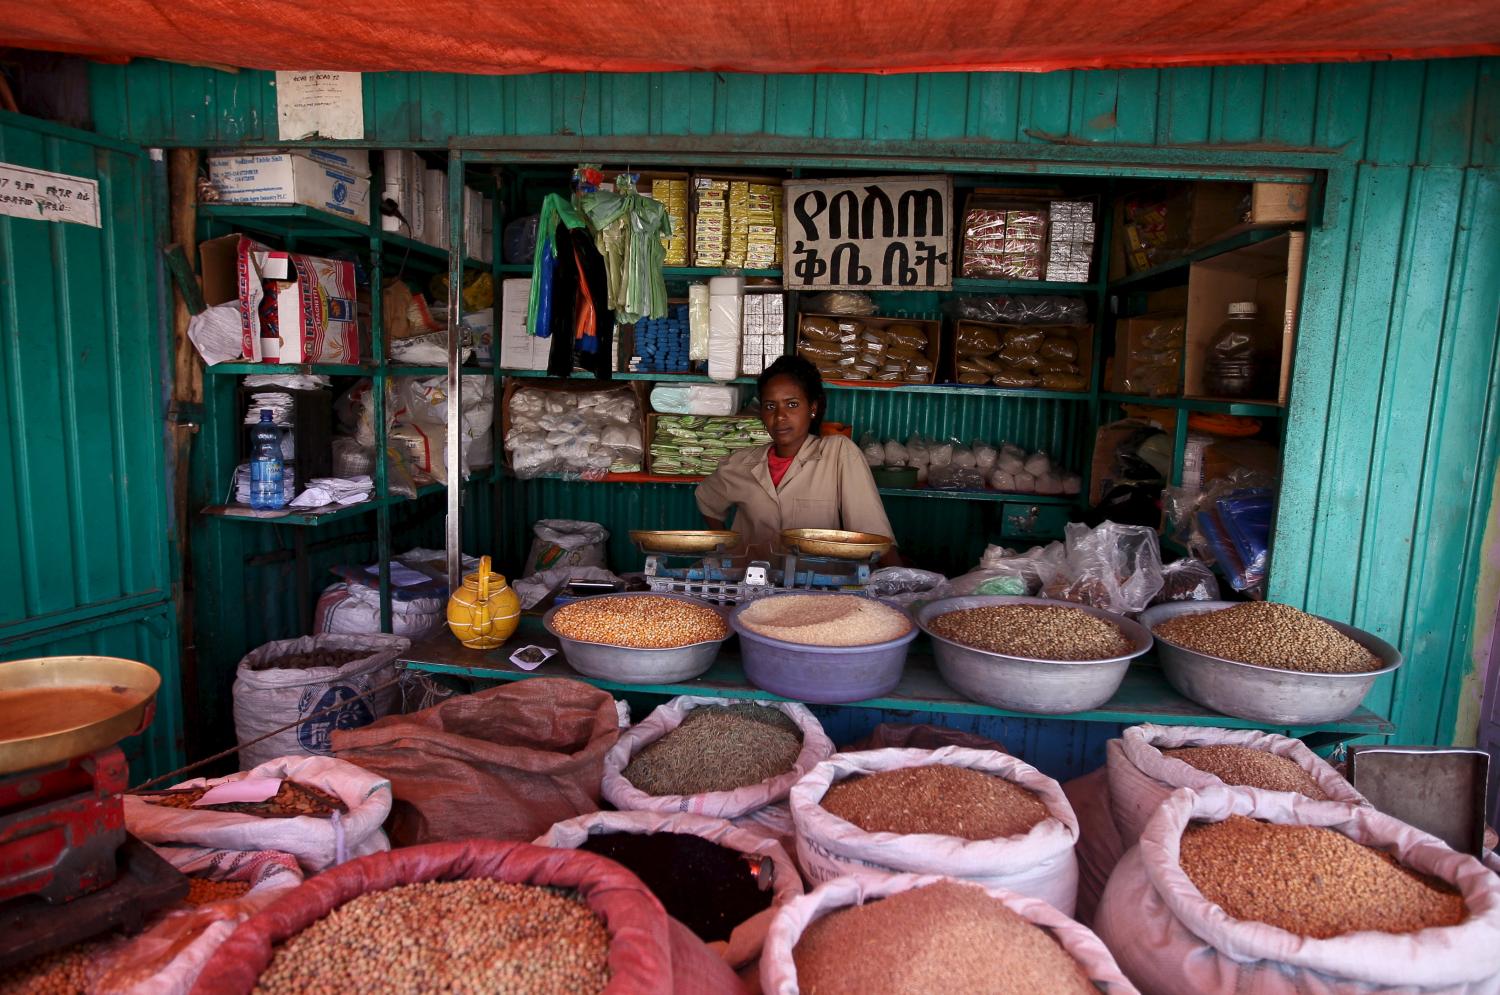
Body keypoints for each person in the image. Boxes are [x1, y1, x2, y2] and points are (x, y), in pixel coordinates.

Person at [696, 355, 899, 563]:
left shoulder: (838, 454)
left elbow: (873, 535)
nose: (780, 416)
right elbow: (706, 499)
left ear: (812, 408)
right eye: (770, 406)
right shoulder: (741, 464)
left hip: (817, 589)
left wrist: (902, 584)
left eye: (792, 404)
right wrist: (726, 551)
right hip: (752, 588)